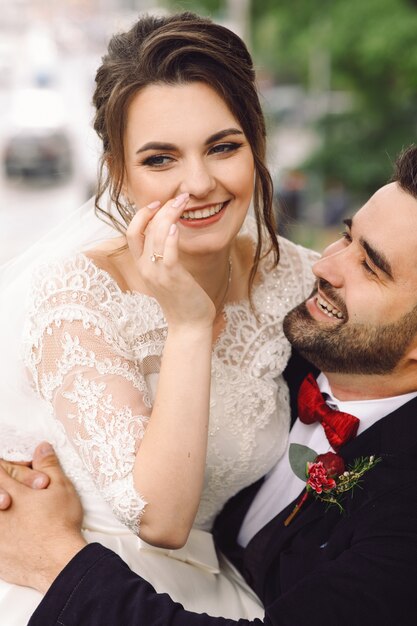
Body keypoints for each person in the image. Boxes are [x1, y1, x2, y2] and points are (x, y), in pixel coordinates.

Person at [2, 144, 417, 626]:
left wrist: (53, 560)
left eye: (370, 265)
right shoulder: (288, 331)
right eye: (346, 236)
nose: (324, 267)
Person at [0, 11, 318, 624]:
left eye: (223, 147)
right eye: (160, 160)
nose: (198, 183)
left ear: (257, 144)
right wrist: (190, 326)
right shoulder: (78, 297)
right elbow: (163, 520)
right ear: (119, 172)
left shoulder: (296, 280)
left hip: (213, 588)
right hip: (64, 583)